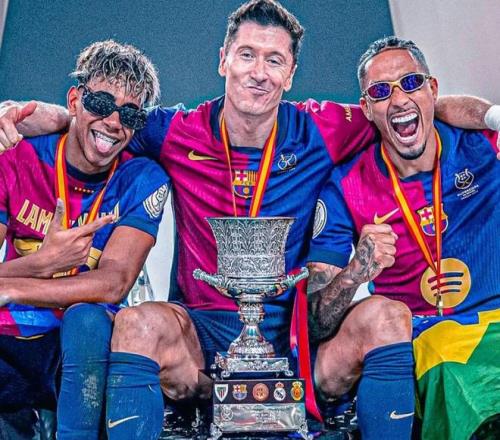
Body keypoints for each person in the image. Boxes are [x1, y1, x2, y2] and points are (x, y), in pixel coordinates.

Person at [0, 2, 498, 439]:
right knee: (136, 324)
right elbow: (102, 120)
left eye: (274, 60)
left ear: (290, 74)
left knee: (387, 316)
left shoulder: (323, 128)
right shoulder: (177, 130)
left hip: (294, 337)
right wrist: (24, 114)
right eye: (247, 55)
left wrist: (493, 116)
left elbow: (413, 106)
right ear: (224, 60)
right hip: (199, 331)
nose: (259, 72)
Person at [308, 36, 500, 440]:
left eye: (410, 83)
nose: (398, 100)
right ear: (366, 108)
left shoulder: (482, 147)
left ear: (433, 90)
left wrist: (490, 114)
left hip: (494, 323)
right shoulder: (346, 186)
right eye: (381, 91)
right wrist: (357, 271)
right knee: (447, 367)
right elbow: (318, 321)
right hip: (427, 338)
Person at [0, 40, 169, 439]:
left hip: (81, 348)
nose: (113, 122)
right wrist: (41, 264)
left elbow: (113, 283)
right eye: (101, 103)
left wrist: (13, 287)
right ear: (75, 100)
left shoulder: (141, 178)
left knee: (87, 320)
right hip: (11, 339)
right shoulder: (17, 157)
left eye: (129, 113)